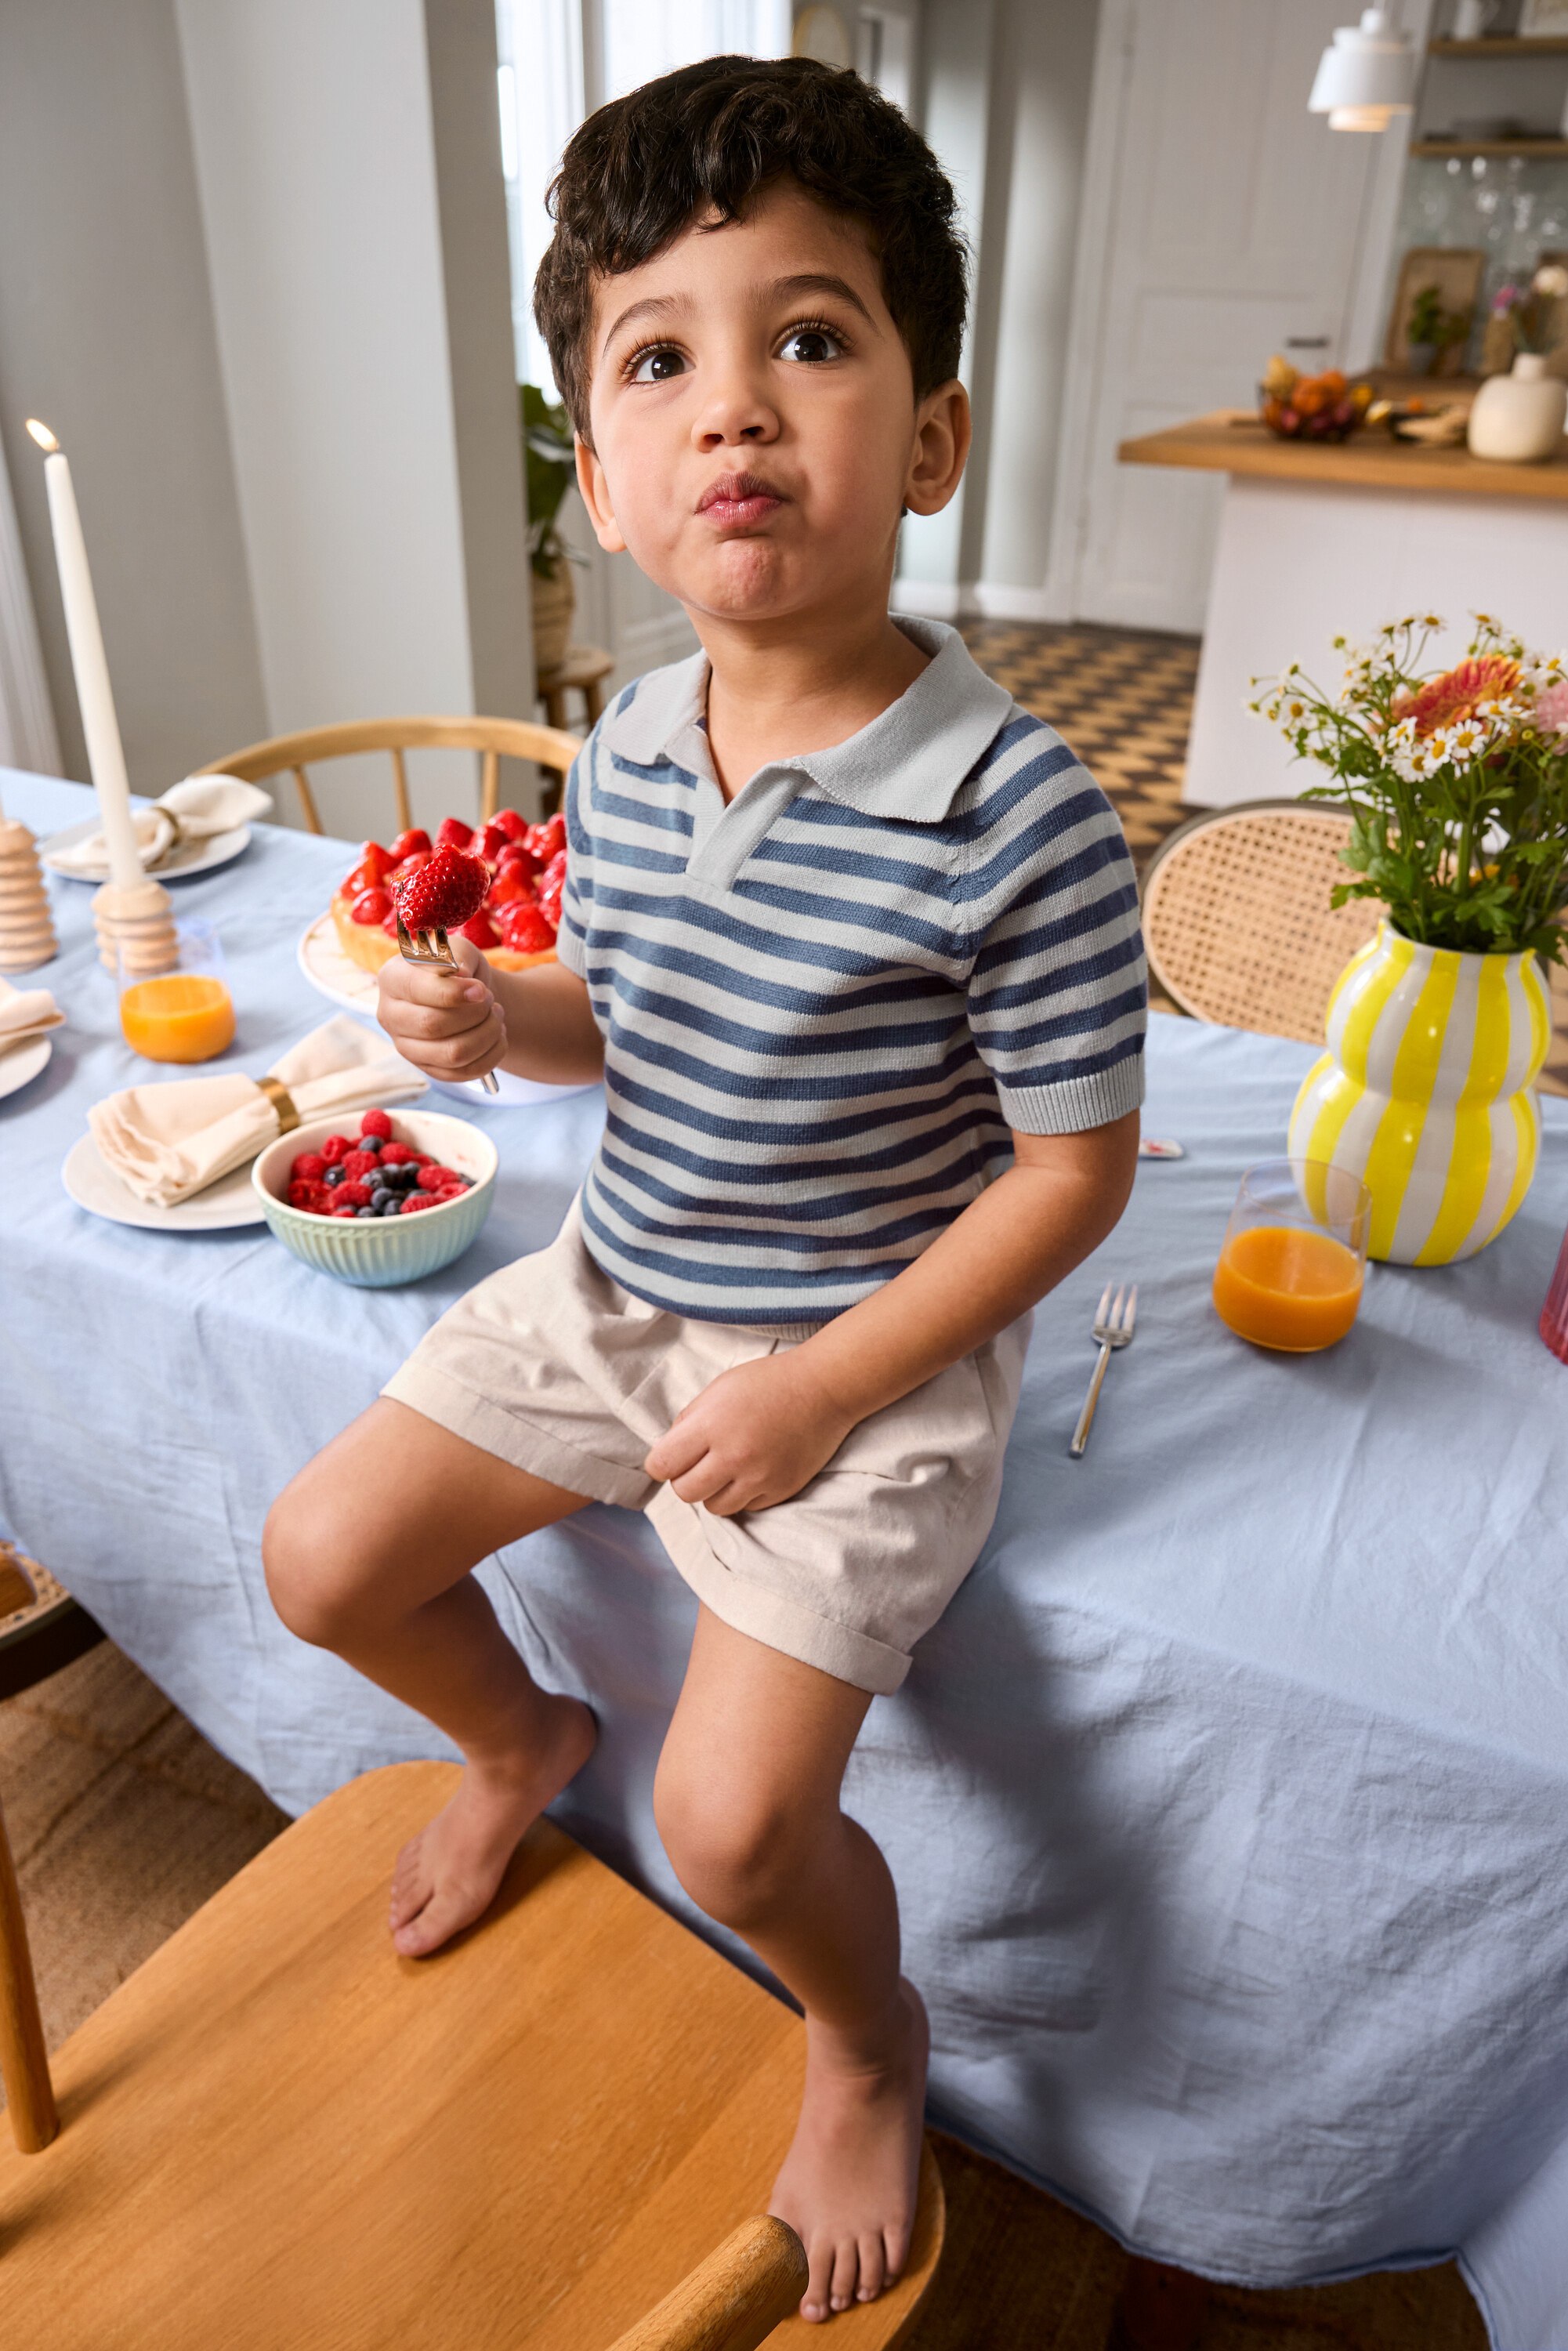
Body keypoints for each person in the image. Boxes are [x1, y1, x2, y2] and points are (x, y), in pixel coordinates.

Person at [263, 53, 1145, 2326]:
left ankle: (869, 2034)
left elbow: (1070, 1176)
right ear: (611, 475)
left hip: (862, 1344)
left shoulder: (1021, 813)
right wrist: (501, 1024)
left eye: (810, 338)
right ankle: (516, 1732)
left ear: (926, 439)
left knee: (734, 1829)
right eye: (661, 358)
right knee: (318, 1557)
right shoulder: (634, 742)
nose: (734, 408)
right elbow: (618, 1015)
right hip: (616, 1279)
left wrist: (828, 1390)